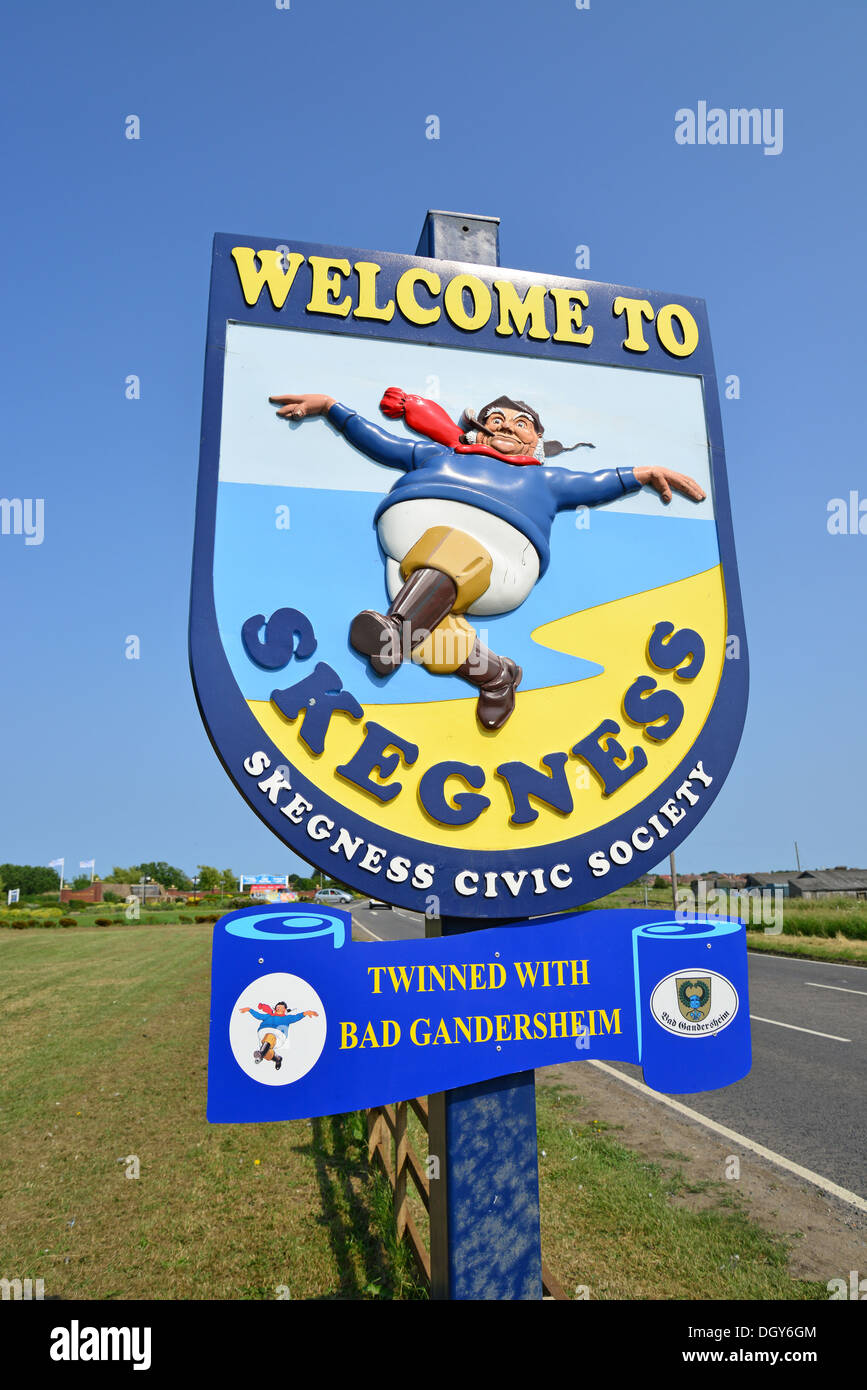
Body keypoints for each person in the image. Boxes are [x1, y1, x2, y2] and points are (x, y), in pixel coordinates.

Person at [269, 387, 706, 730]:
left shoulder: (548, 480)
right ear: (478, 429)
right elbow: (383, 442)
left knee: (453, 548)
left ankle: (396, 633)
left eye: (522, 425)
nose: (508, 428)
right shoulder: (439, 453)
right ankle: (494, 674)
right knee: (432, 632)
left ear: (537, 440)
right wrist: (331, 407)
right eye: (497, 420)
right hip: (410, 546)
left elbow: (596, 482)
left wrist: (643, 475)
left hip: (500, 560)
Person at [239, 1000, 318, 1071]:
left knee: (270, 1037)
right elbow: (258, 1015)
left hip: (278, 1036)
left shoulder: (287, 1018)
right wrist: (249, 1009)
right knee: (266, 1052)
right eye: (277, 1006)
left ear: (285, 1009)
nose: (278, 1007)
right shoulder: (268, 1016)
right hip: (264, 1035)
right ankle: (277, 1058)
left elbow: (296, 1017)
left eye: (281, 1007)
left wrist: (305, 1013)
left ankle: (261, 1054)